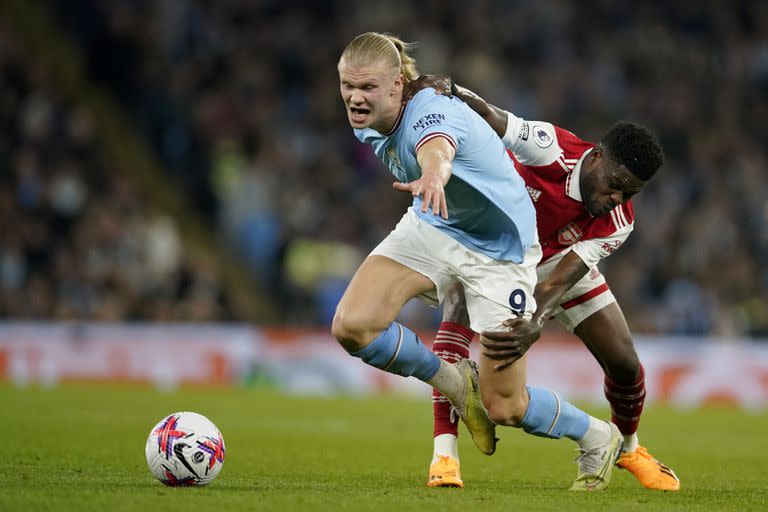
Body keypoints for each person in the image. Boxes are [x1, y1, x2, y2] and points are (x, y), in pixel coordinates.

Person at [334, 32, 623, 491]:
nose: (354, 96)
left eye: (367, 87)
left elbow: (438, 145)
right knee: (352, 326)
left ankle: (597, 436)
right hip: (437, 224)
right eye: (348, 85)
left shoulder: (429, 110)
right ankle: (454, 381)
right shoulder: (367, 118)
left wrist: (433, 173)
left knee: (505, 406)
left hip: (500, 252)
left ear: (397, 85)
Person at [407, 77, 679, 491]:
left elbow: (560, 281)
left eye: (631, 193)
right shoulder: (551, 147)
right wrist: (454, 90)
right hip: (496, 246)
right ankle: (444, 455)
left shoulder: (619, 222)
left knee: (625, 362)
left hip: (555, 267)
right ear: (596, 156)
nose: (618, 198)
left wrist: (532, 319)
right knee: (458, 308)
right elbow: (495, 118)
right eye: (615, 184)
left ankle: (628, 447)